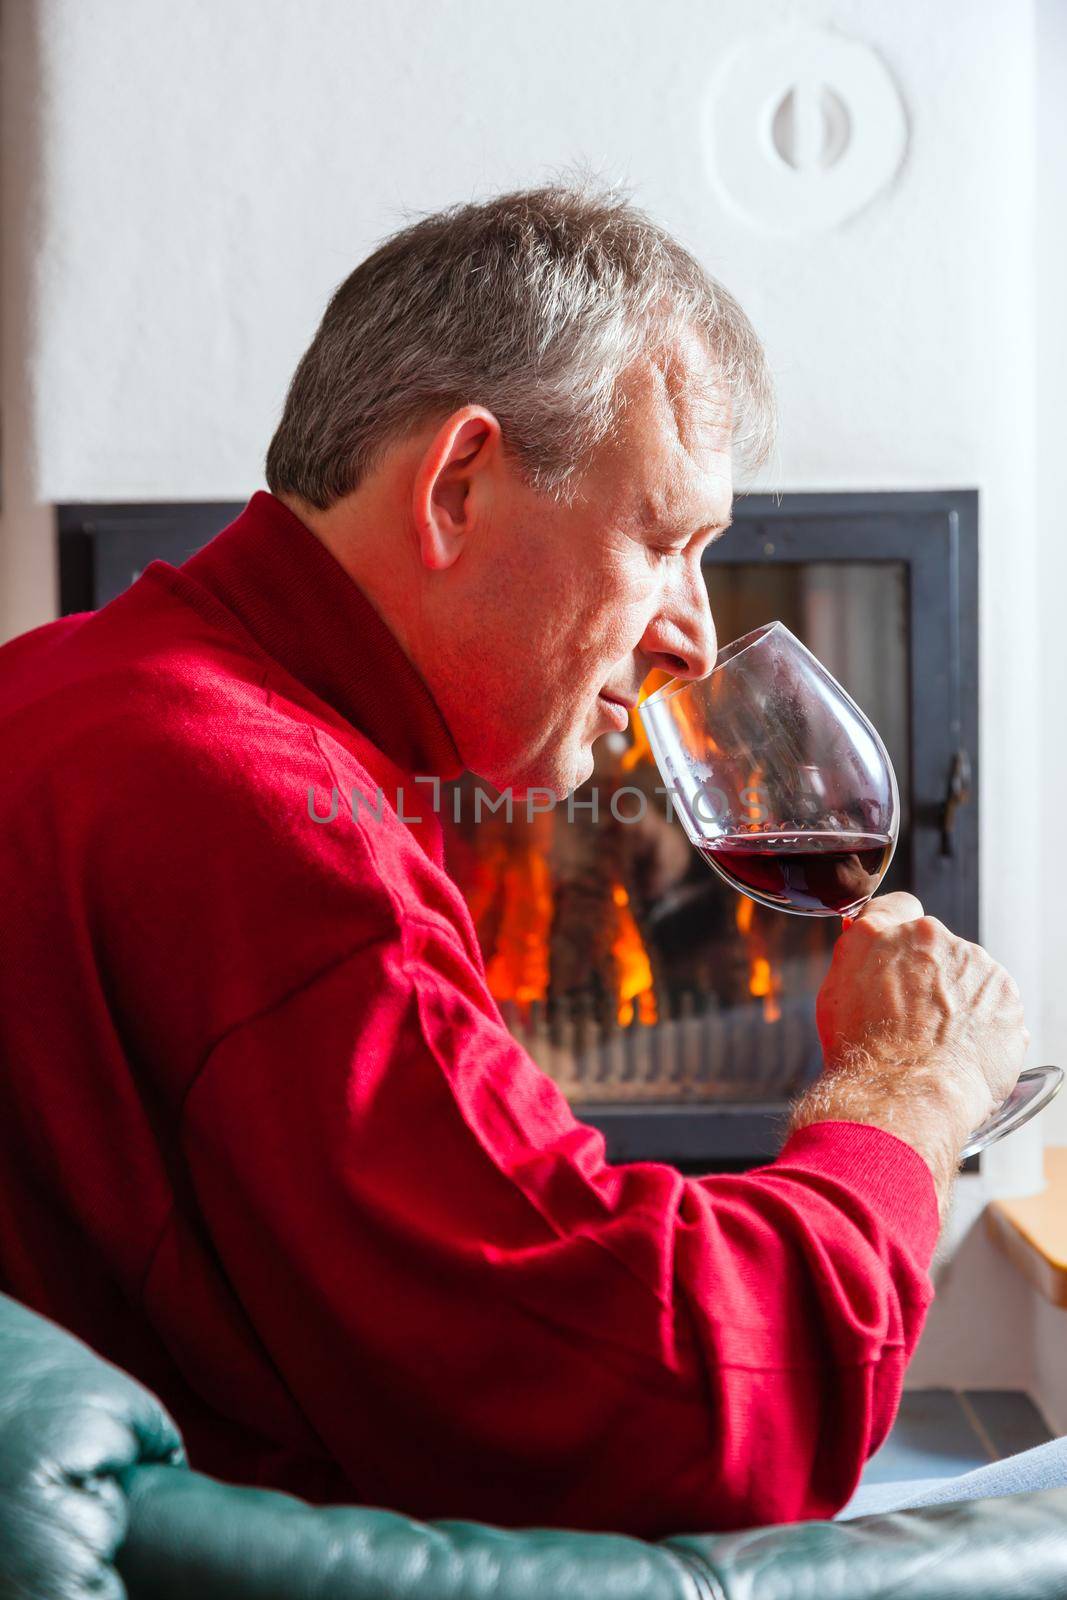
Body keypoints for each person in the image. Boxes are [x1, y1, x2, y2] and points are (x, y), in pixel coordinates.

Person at [0, 184, 1028, 1537]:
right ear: (459, 486)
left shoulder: (80, 680)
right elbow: (696, 1408)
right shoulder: (271, 822)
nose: (692, 635)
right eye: (665, 541)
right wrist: (914, 1086)